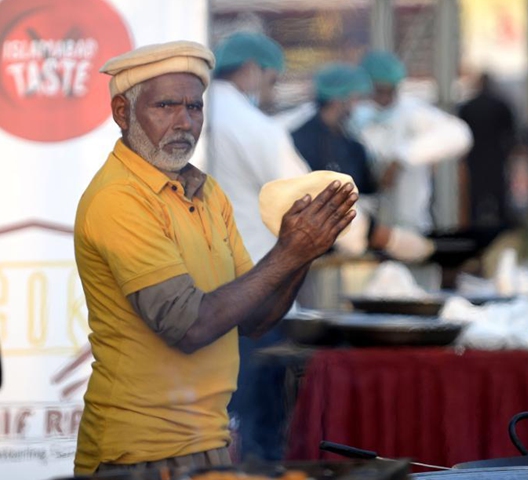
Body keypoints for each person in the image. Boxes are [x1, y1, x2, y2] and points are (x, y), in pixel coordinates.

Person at [73, 40, 358, 474]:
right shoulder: (118, 199)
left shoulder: (207, 192)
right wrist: (288, 252)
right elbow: (188, 326)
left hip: (209, 441)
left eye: (194, 107)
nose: (184, 122)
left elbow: (255, 320)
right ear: (122, 113)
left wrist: (306, 251)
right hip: (138, 453)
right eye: (165, 106)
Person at [205, 34, 434, 460]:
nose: (270, 89)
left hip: (207, 293)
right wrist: (377, 237)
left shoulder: (199, 114)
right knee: (259, 420)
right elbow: (315, 198)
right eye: (271, 79)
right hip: (257, 288)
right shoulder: (254, 126)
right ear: (254, 69)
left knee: (219, 418)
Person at [349, 50, 473, 233]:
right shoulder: (354, 116)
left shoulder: (412, 112)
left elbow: (460, 135)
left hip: (410, 227)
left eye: (389, 91)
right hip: (362, 228)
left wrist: (401, 158)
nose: (384, 98)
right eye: (378, 90)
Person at [291, 63, 378, 195]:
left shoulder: (351, 144)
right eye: (356, 98)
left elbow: (366, 187)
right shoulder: (300, 142)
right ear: (338, 99)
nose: (359, 106)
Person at [457, 72, 518, 229]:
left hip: (475, 159)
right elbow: (511, 134)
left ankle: (472, 232)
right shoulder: (501, 105)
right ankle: (503, 232)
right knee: (500, 198)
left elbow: (461, 137)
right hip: (496, 158)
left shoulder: (468, 107)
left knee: (474, 200)